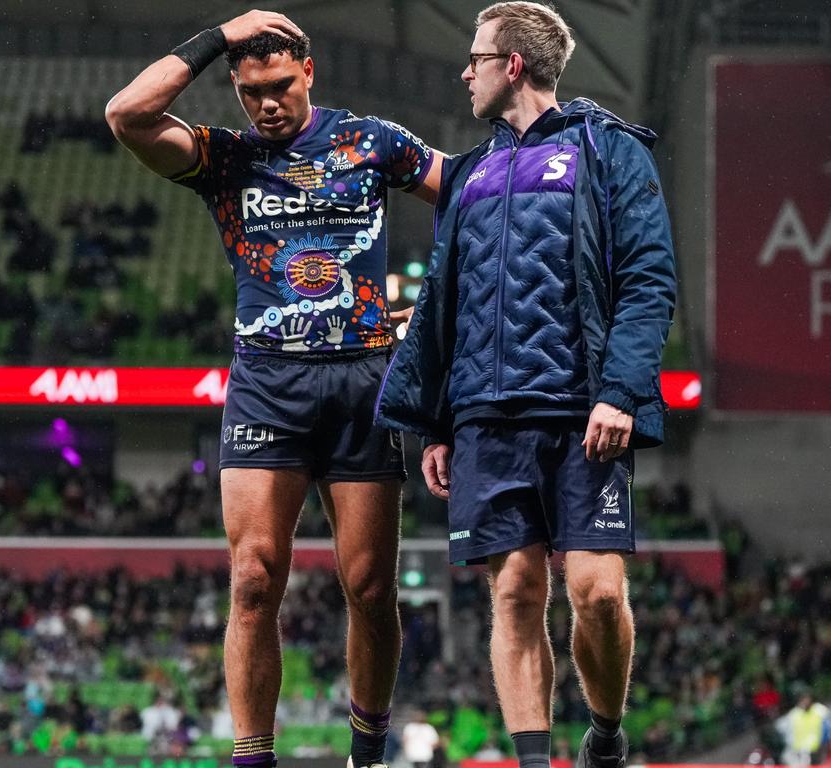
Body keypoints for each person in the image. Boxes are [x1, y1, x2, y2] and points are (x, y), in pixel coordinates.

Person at [105, 11, 443, 768]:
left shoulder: (370, 141)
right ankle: (252, 760)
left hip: (363, 378)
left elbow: (470, 196)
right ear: (234, 85)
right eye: (251, 89)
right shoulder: (222, 158)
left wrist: (435, 302)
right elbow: (126, 115)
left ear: (310, 73)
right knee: (254, 580)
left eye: (282, 85)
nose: (267, 102)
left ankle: (368, 752)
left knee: (370, 589)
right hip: (266, 382)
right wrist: (220, 35)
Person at [376, 4, 677, 768]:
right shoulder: (470, 175)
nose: (464, 71)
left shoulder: (609, 151)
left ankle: (605, 733)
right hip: (484, 420)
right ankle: (535, 762)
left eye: (475, 58)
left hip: (584, 413)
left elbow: (648, 281)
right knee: (513, 594)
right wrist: (437, 421)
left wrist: (621, 390)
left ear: (513, 64)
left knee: (599, 596)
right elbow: (447, 306)